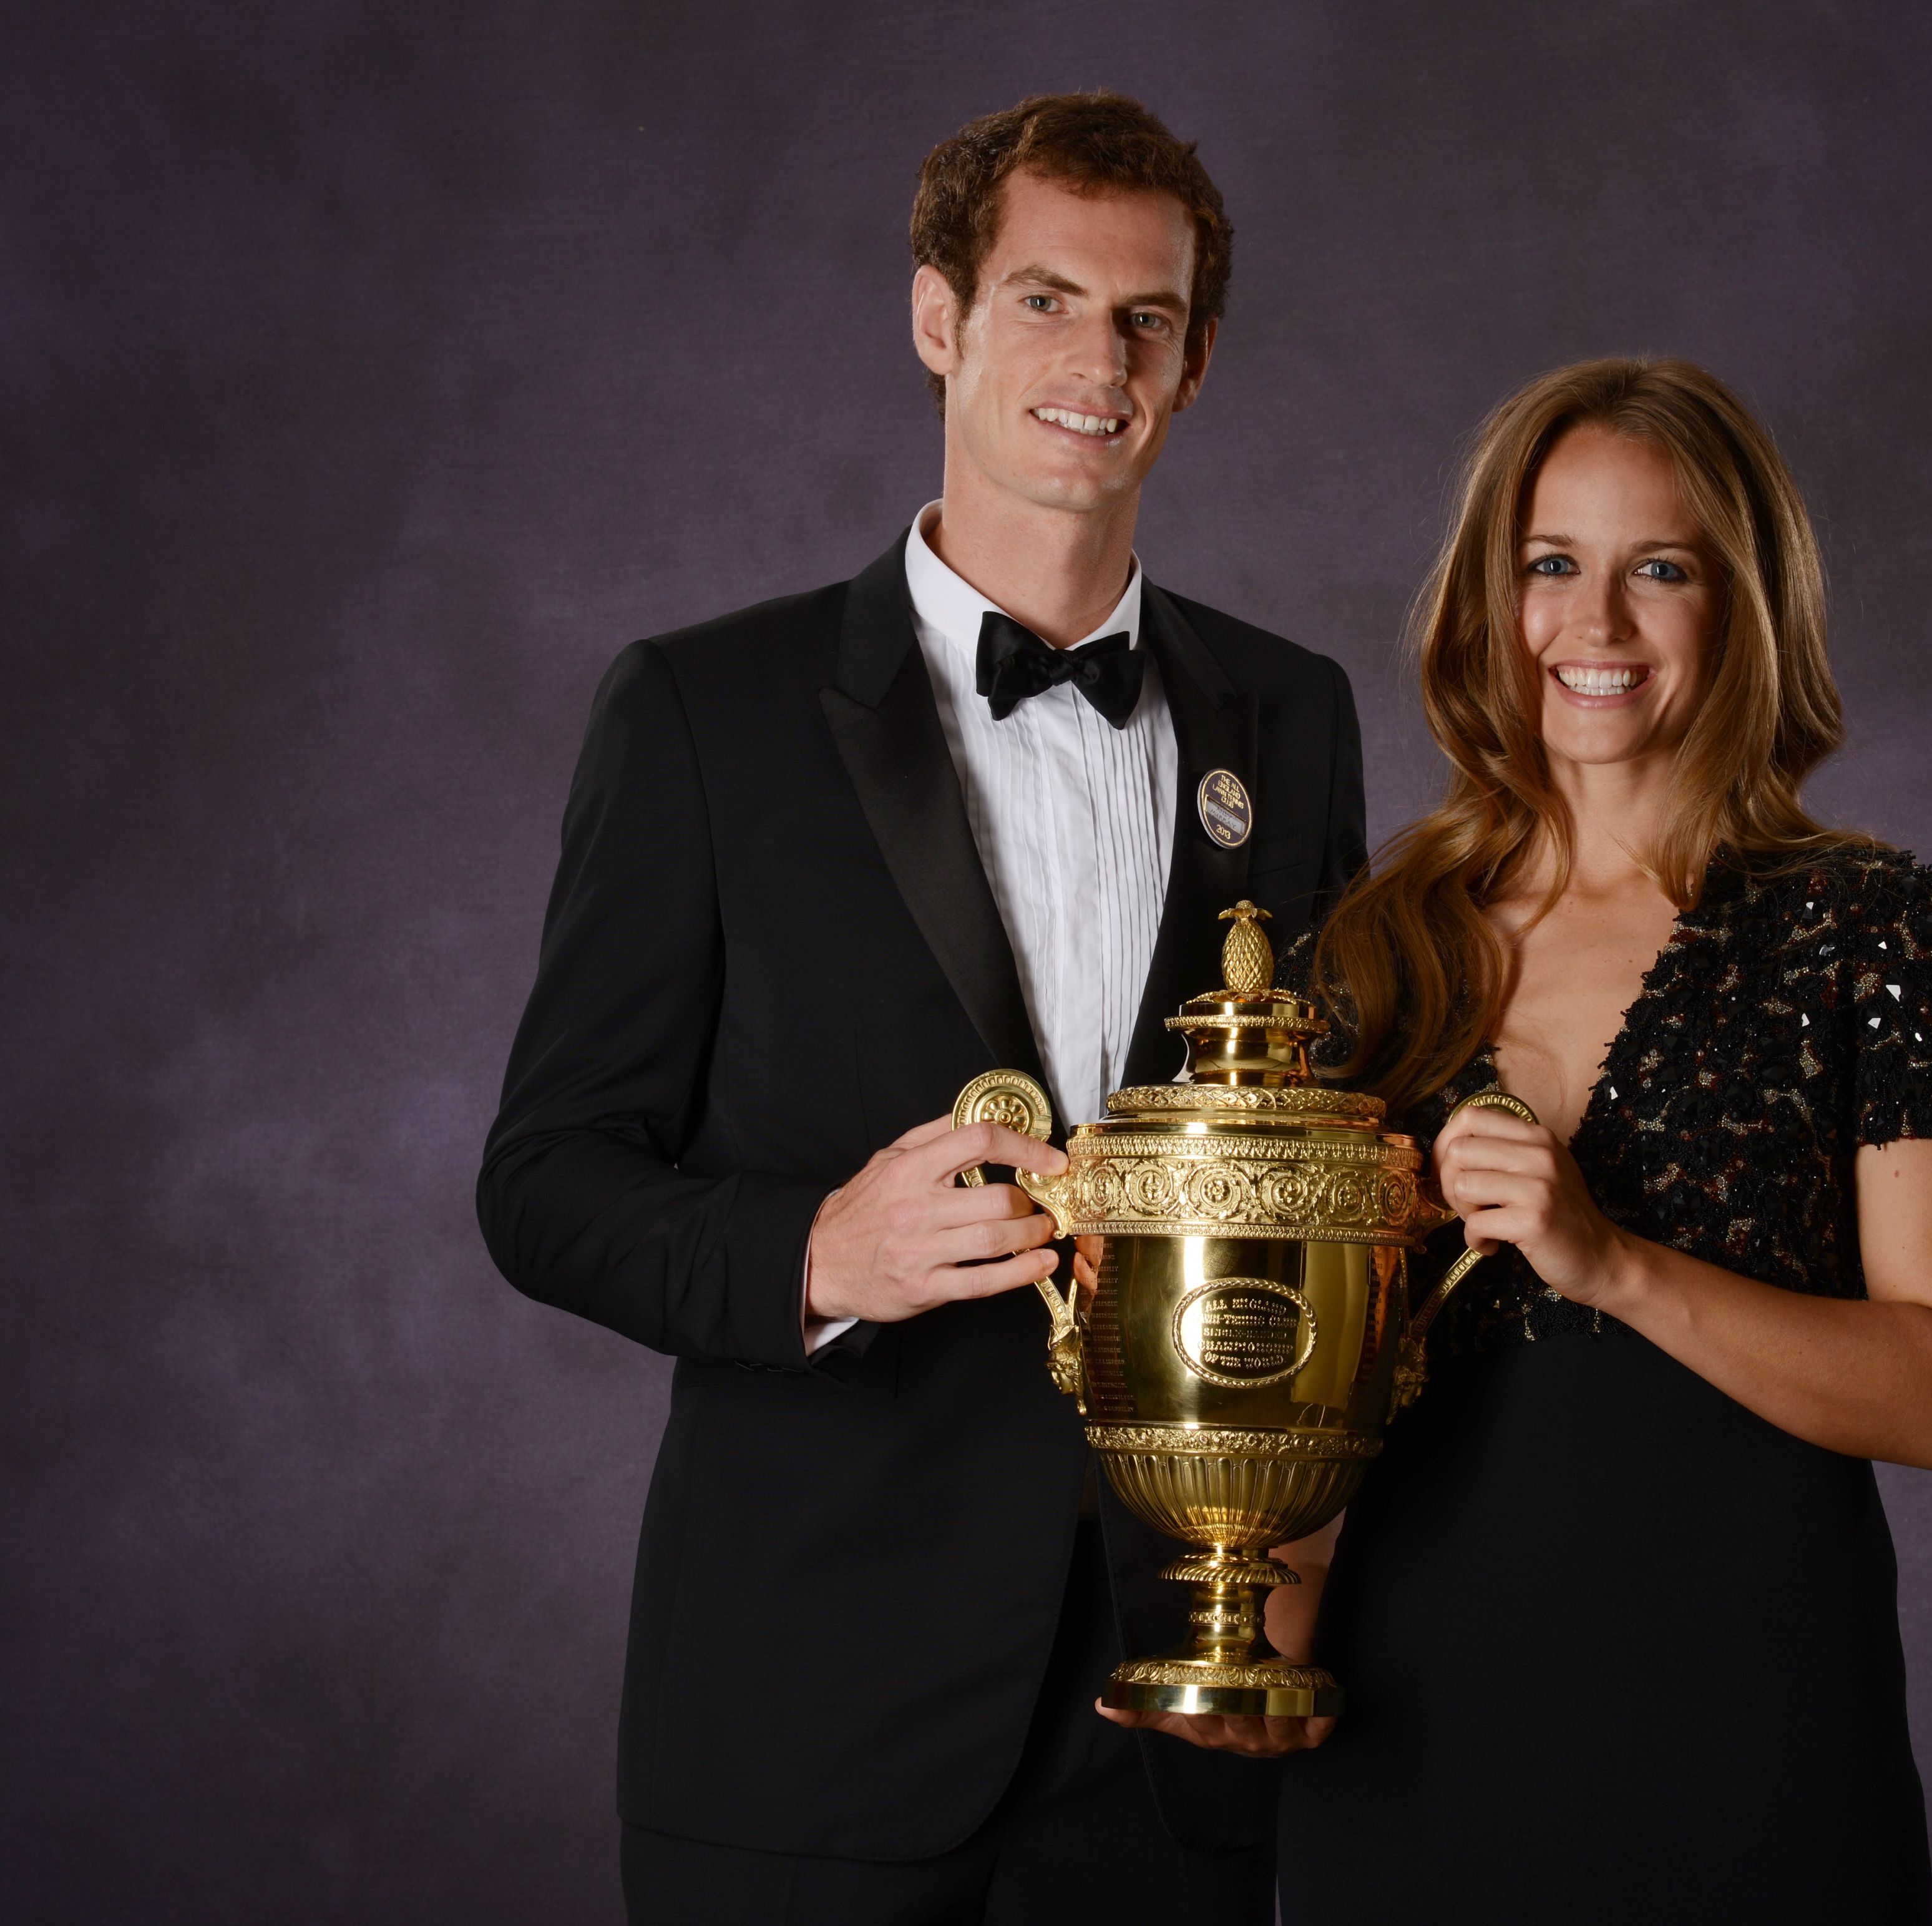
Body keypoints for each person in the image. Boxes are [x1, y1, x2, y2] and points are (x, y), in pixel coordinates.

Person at [477, 92, 1366, 1925]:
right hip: (808, 1720)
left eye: (1146, 318)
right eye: (1045, 300)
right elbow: (547, 1178)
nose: (1096, 361)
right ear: (938, 319)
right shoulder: (700, 711)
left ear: (1195, 362)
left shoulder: (1293, 716)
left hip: (1172, 1728)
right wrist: (814, 1248)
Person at [1259, 358, 1932, 1920]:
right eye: (1550, 564)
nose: (1593, 625)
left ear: (1741, 609)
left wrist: (1607, 1260)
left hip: (1750, 1762)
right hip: (1412, 1752)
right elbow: (1298, 1398)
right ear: (1493, 599)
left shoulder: (1869, 930)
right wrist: (1251, 1604)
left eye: (1657, 570)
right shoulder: (1364, 951)